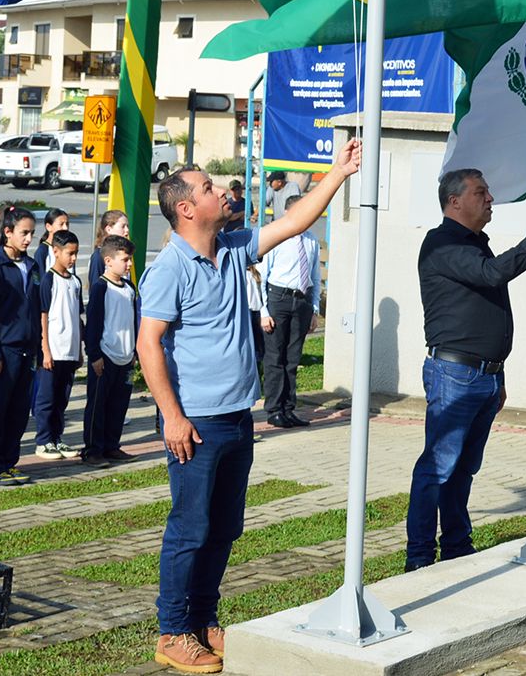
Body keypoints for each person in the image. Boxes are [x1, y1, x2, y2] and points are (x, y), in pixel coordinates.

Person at [137, 142, 360, 674]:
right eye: (210, 187)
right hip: (196, 422)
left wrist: (339, 172)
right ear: (187, 208)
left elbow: (297, 218)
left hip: (238, 414)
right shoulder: (171, 267)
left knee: (224, 527)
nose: (222, 190)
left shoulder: (235, 247)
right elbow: (149, 344)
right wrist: (172, 416)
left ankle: (203, 619)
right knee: (190, 527)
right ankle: (172, 631)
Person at [406, 169, 526, 574]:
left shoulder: (474, 243)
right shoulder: (441, 244)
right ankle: (420, 558)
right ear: (454, 201)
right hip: (455, 375)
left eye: (489, 191)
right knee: (438, 467)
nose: (490, 198)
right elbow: (492, 275)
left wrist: (499, 374)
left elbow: (485, 307)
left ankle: (456, 546)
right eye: (481, 192)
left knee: (463, 469)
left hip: (484, 377)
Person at [0, 206, 39, 488]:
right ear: (8, 232)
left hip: (27, 349)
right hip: (5, 350)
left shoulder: (32, 265)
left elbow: (37, 307)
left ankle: (10, 462)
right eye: (24, 233)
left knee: (18, 411)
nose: (28, 239)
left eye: (31, 234)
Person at [261, 194, 321, 429]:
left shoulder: (311, 240)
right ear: (287, 213)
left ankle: (288, 408)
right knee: (275, 356)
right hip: (279, 298)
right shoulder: (276, 237)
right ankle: (274, 409)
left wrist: (314, 308)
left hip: (301, 300)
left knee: (292, 358)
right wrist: (264, 312)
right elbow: (261, 277)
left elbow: (315, 276)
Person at [82, 234, 138, 466]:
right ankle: (93, 450)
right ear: (108, 260)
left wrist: (135, 352)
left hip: (125, 356)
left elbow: (134, 321)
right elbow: (94, 323)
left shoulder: (129, 288)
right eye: (125, 259)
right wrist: (94, 354)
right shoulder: (101, 288)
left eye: (130, 259)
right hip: (105, 356)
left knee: (118, 404)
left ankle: (111, 445)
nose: (129, 264)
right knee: (98, 405)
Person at [33, 230, 83, 461]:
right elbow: (43, 315)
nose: (73, 259)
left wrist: (80, 350)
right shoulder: (48, 279)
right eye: (69, 253)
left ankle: (57, 438)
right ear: (55, 251)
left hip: (70, 351)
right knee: (47, 398)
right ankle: (43, 441)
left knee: (62, 399)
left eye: (76, 254)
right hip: (53, 351)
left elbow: (76, 316)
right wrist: (45, 349)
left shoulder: (75, 281)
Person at [89, 210, 130, 288]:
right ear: (109, 229)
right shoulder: (98, 256)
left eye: (127, 226)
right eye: (123, 226)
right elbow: (95, 287)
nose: (127, 230)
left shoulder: (124, 253)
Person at [32, 209, 69, 275]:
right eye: (61, 224)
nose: (65, 228)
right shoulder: (42, 252)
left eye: (67, 224)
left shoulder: (67, 248)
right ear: (48, 227)